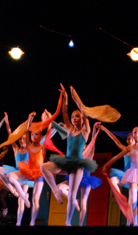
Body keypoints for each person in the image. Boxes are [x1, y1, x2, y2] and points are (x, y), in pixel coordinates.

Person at [41, 85, 97, 226]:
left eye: (77, 116)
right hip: (66, 162)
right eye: (73, 117)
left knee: (72, 195)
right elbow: (64, 112)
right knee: (44, 167)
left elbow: (84, 112)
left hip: (78, 165)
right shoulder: (70, 129)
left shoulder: (85, 131)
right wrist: (65, 97)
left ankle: (68, 222)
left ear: (82, 119)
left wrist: (76, 98)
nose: (73, 119)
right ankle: (55, 190)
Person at [98, 120, 138, 225]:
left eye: (132, 138)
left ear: (135, 139)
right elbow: (114, 139)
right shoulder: (126, 149)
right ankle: (120, 198)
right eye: (128, 139)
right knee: (113, 179)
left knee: (133, 202)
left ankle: (133, 223)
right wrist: (105, 129)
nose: (130, 140)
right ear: (127, 141)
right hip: (126, 176)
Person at [57, 122, 103, 226]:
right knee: (59, 188)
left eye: (86, 145)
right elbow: (73, 136)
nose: (85, 146)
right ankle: (74, 201)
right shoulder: (77, 154)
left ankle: (80, 224)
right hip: (75, 177)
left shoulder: (89, 155)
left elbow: (93, 142)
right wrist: (65, 127)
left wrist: (94, 129)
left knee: (84, 203)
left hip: (86, 179)